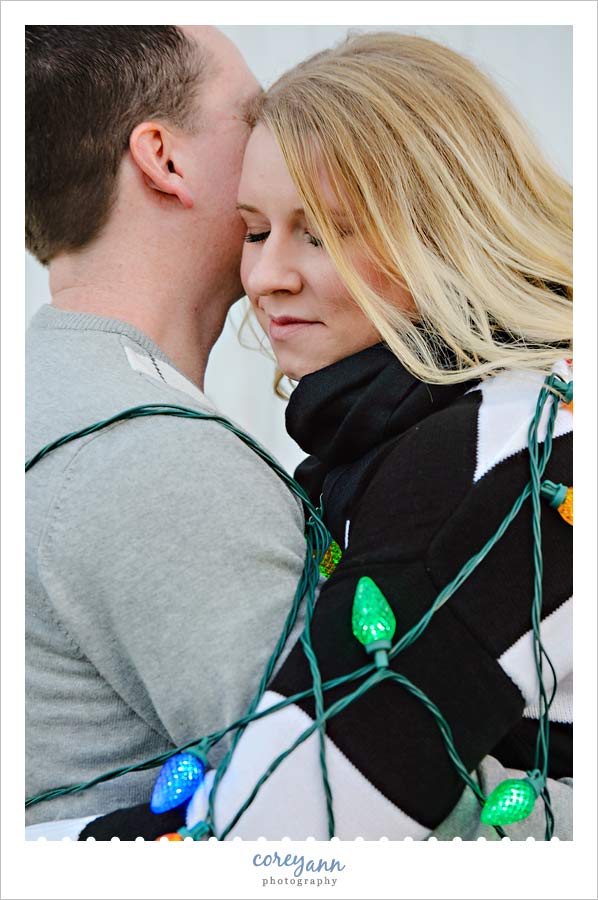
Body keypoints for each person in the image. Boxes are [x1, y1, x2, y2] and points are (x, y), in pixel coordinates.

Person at [45, 30, 573, 842]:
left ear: (443, 228)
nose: (266, 277)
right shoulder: (441, 434)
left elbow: (298, 819)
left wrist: (41, 846)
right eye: (255, 230)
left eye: (321, 232)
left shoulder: (490, 451)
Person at [25, 26, 308, 839]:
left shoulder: (50, 399)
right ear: (164, 159)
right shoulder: (149, 455)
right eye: (253, 114)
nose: (279, 137)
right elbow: (339, 802)